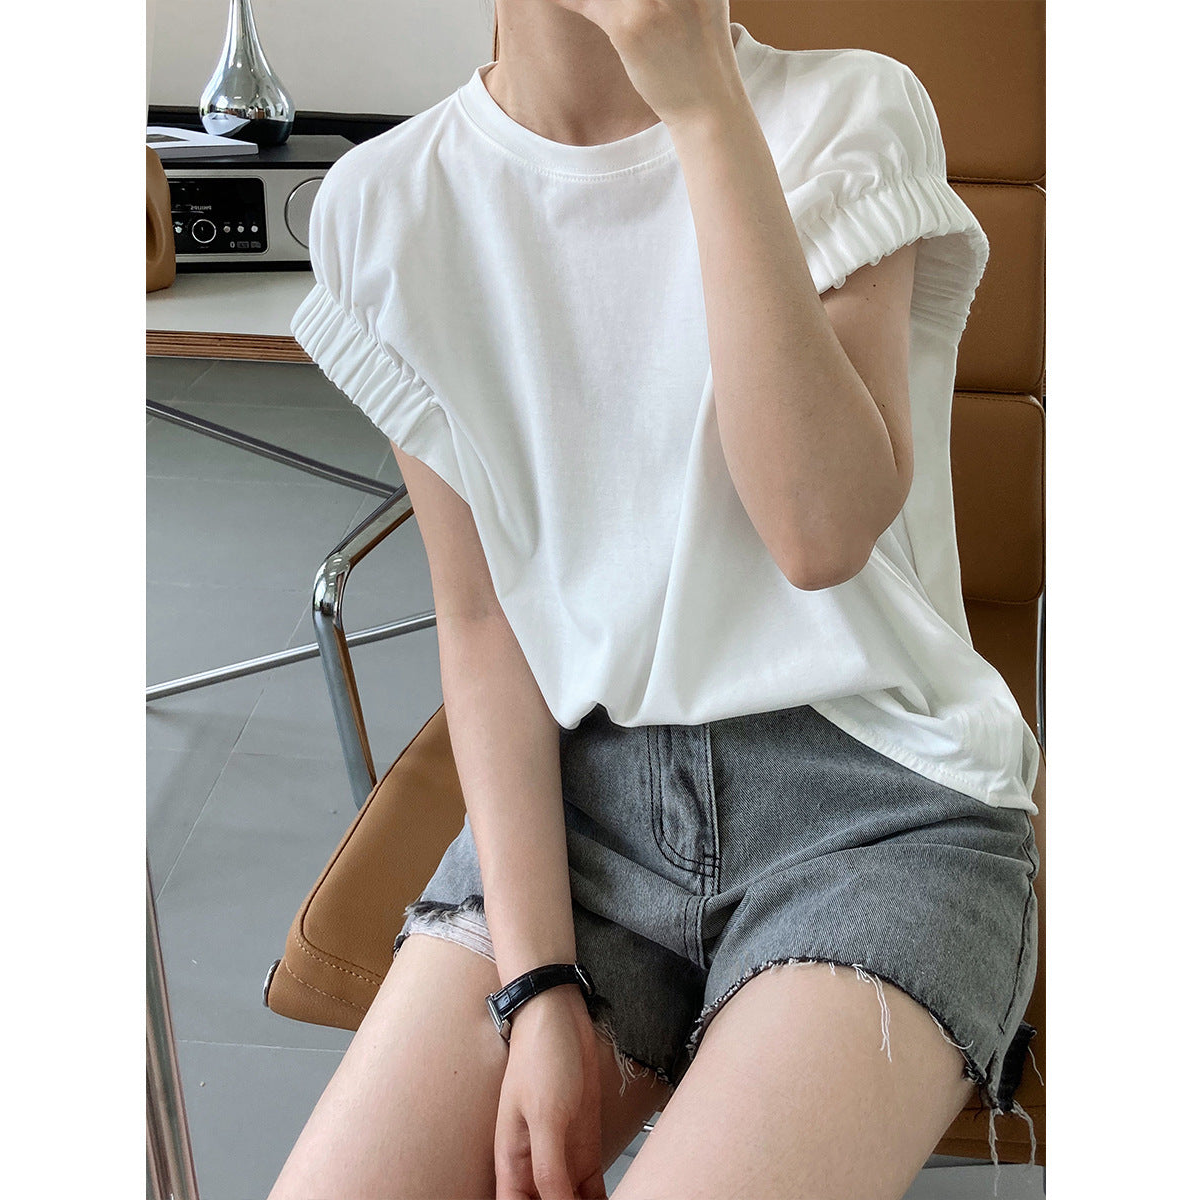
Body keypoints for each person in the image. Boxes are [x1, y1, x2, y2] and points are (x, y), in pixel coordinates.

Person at [269, 3, 1041, 1198]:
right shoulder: (387, 205)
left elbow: (818, 530)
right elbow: (485, 626)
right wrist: (535, 987)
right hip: (591, 805)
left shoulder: (850, 111)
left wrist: (703, 106)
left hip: (878, 805)